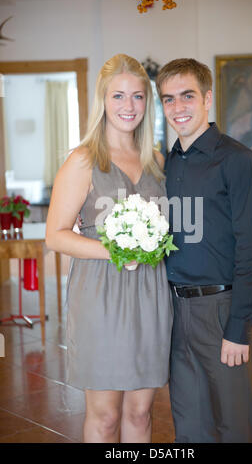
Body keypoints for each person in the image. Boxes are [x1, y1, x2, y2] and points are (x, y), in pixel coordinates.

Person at [46, 54, 173, 443]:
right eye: (118, 96)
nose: (128, 107)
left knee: (140, 411)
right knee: (104, 418)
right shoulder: (84, 161)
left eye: (137, 97)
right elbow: (55, 235)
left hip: (150, 294)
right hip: (100, 295)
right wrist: (117, 252)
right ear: (103, 100)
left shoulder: (157, 162)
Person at [156, 58, 252, 443]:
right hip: (175, 309)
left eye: (187, 96)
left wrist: (239, 328)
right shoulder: (167, 163)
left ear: (206, 98)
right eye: (168, 99)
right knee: (189, 424)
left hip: (222, 311)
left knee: (233, 425)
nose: (178, 108)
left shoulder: (238, 161)